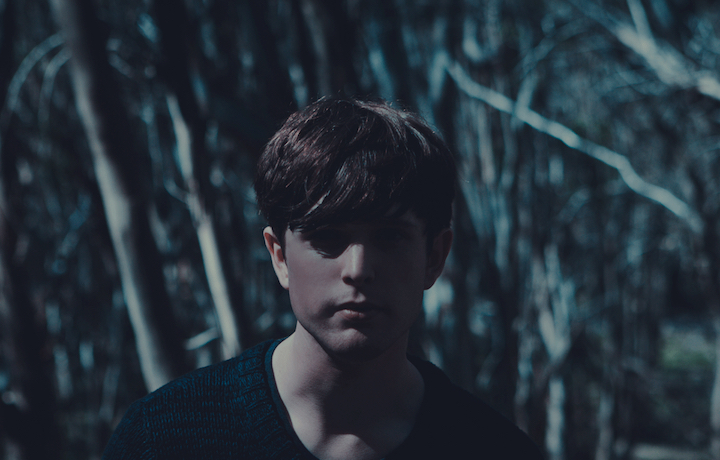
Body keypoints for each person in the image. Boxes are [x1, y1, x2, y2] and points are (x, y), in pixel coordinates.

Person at [102, 97, 543, 459]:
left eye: (390, 237)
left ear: (434, 257)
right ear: (279, 256)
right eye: (328, 237)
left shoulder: (495, 450)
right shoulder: (164, 440)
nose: (358, 269)